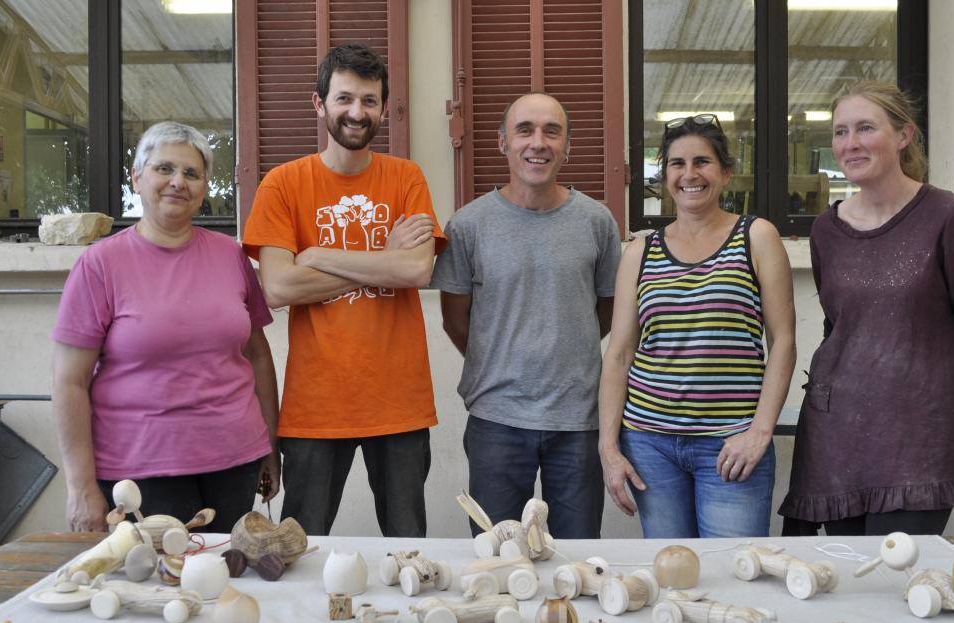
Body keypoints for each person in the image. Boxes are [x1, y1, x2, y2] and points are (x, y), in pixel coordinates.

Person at [779, 81, 954, 537]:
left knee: (896, 583)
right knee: (844, 582)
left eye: (866, 128)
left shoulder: (950, 218)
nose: (851, 143)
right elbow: (840, 330)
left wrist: (944, 416)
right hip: (836, 436)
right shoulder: (827, 229)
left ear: (903, 136)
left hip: (920, 447)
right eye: (841, 132)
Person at [243, 44, 443, 537]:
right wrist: (383, 260)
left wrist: (318, 256)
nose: (357, 112)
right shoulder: (282, 185)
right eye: (345, 98)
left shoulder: (406, 177)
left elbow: (417, 271)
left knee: (407, 546)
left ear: (383, 108)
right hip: (316, 404)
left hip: (398, 400)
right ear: (319, 103)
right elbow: (277, 285)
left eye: (370, 100)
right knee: (299, 544)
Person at [52, 121, 280, 533]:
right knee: (159, 591)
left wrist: (270, 447)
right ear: (136, 177)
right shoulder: (100, 265)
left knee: (226, 583)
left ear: (204, 188)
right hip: (139, 473)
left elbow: (258, 355)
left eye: (191, 174)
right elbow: (69, 382)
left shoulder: (230, 256)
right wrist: (80, 485)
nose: (178, 182)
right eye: (164, 169)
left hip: (235, 462)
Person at [432, 92, 621, 539]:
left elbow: (608, 310)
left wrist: (563, 346)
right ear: (503, 142)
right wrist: (501, 357)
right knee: (496, 561)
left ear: (567, 146)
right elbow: (455, 319)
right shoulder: (468, 225)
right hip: (497, 420)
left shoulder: (597, 221)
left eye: (552, 131)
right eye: (525, 130)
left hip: (578, 419)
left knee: (573, 559)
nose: (539, 142)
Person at [599, 114, 796, 538]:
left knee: (733, 575)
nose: (690, 174)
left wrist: (759, 433)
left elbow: (783, 342)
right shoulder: (641, 251)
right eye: (677, 164)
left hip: (732, 446)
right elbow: (618, 355)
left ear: (725, 173)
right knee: (673, 575)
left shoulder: (757, 237)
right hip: (650, 443)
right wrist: (609, 448)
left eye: (702, 162)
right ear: (665, 175)